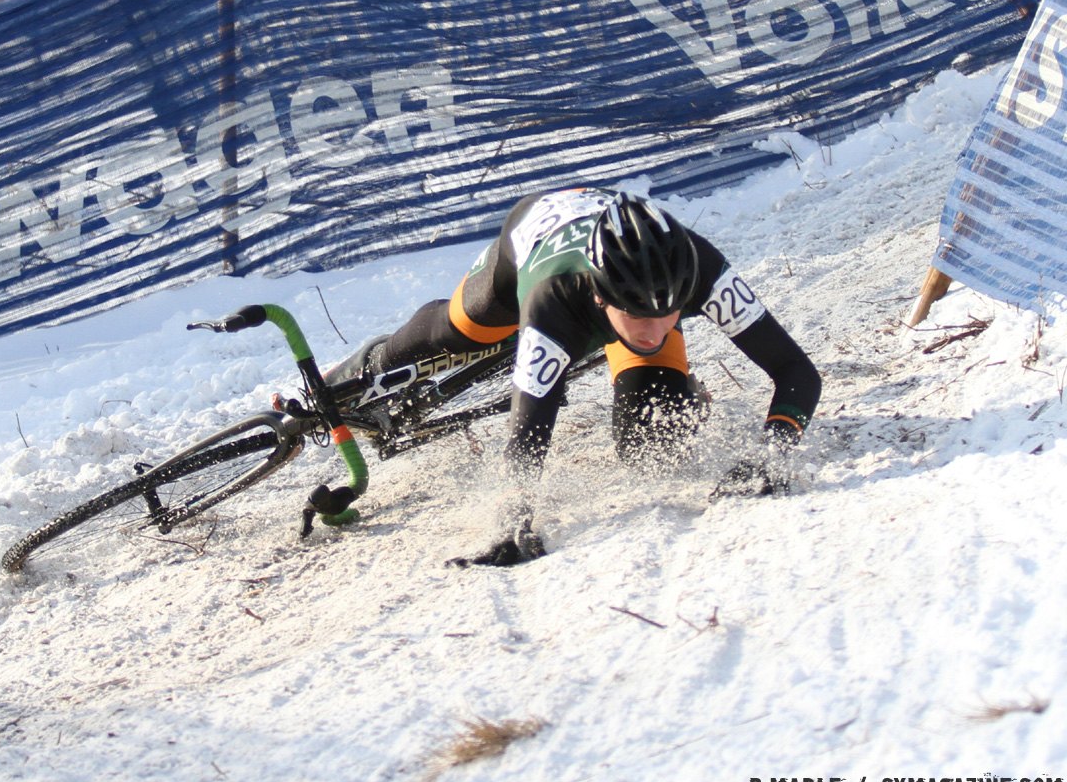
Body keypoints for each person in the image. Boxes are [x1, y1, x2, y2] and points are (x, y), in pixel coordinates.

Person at [327, 187, 822, 567]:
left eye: (669, 312)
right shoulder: (555, 303)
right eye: (637, 314)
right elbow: (528, 430)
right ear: (603, 298)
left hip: (618, 274)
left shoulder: (699, 271)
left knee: (652, 448)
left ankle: (685, 390)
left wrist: (770, 453)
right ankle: (367, 363)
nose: (653, 329)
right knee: (460, 329)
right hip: (531, 242)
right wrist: (512, 525)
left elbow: (797, 371)